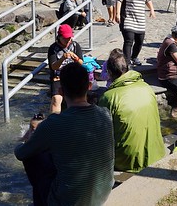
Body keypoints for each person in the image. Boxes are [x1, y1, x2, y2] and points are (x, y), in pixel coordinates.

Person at [14, 62, 114, 206]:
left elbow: (20, 153)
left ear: (60, 91)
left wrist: (28, 139)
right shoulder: (105, 114)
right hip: (103, 193)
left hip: (68, 201)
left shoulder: (53, 123)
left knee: (33, 156)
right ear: (89, 86)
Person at [98, 49, 165, 172]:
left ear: (109, 72)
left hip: (128, 161)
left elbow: (101, 136)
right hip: (156, 153)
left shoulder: (108, 97)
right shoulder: (146, 87)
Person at [115, 0, 156, 67]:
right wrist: (117, 14)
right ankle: (126, 62)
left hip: (140, 19)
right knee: (128, 41)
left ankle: (134, 57)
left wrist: (152, 10)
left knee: (139, 41)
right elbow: (119, 0)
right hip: (128, 18)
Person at [47, 24, 84, 114]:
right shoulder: (53, 48)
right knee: (56, 98)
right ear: (59, 37)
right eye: (65, 38)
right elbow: (53, 66)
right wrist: (62, 58)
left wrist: (76, 59)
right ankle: (55, 121)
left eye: (69, 38)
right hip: (58, 76)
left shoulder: (75, 45)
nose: (68, 40)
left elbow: (81, 63)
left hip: (73, 76)